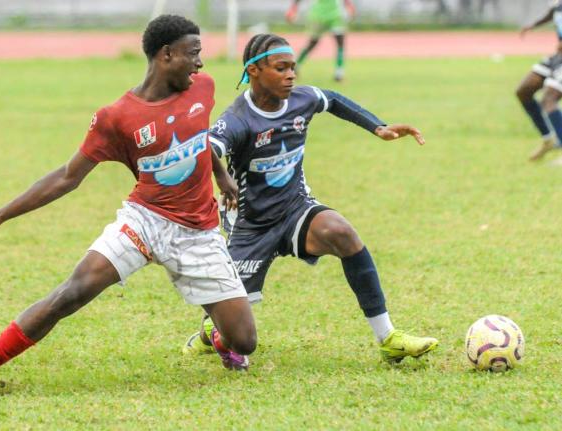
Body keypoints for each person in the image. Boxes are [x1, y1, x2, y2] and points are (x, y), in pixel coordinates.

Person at [0, 15, 258, 395]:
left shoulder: (203, 87)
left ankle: (220, 339)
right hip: (145, 221)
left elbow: (197, 134)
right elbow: (66, 177)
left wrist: (220, 175)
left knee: (245, 342)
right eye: (194, 54)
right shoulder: (116, 117)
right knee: (70, 294)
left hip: (199, 232)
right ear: (166, 55)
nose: (201, 63)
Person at [182, 33, 438, 364]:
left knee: (342, 233)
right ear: (255, 70)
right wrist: (221, 174)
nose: (291, 75)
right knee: (233, 325)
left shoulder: (302, 101)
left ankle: (387, 336)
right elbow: (209, 148)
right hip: (250, 225)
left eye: (293, 68)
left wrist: (379, 127)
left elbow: (331, 99)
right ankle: (209, 334)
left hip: (295, 210)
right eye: (280, 68)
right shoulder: (238, 118)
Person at [517, 0, 562, 163]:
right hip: (557, 57)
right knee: (524, 90)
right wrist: (533, 25)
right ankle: (548, 138)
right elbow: (553, 12)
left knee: (549, 99)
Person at [285, 0, 355, 82]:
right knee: (313, 43)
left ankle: (339, 73)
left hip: (335, 14)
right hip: (318, 14)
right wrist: (293, 9)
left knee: (340, 42)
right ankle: (296, 66)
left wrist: (349, 6)